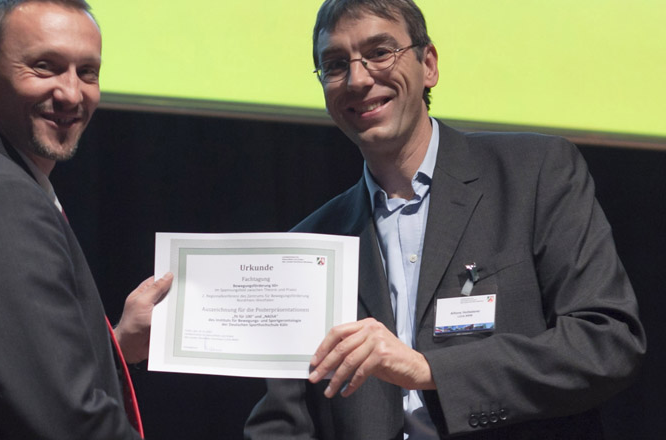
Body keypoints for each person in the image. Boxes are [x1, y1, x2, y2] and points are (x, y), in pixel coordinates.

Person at [244, 0, 646, 438]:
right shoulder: (310, 244)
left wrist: (429, 369)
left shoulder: (534, 174)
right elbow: (284, 423)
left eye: (380, 52)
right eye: (336, 64)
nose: (358, 79)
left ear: (428, 65)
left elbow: (606, 343)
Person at [0, 1, 172, 439]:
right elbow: (70, 419)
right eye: (46, 67)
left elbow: (12, 372)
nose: (72, 93)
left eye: (88, 72)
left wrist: (115, 344)